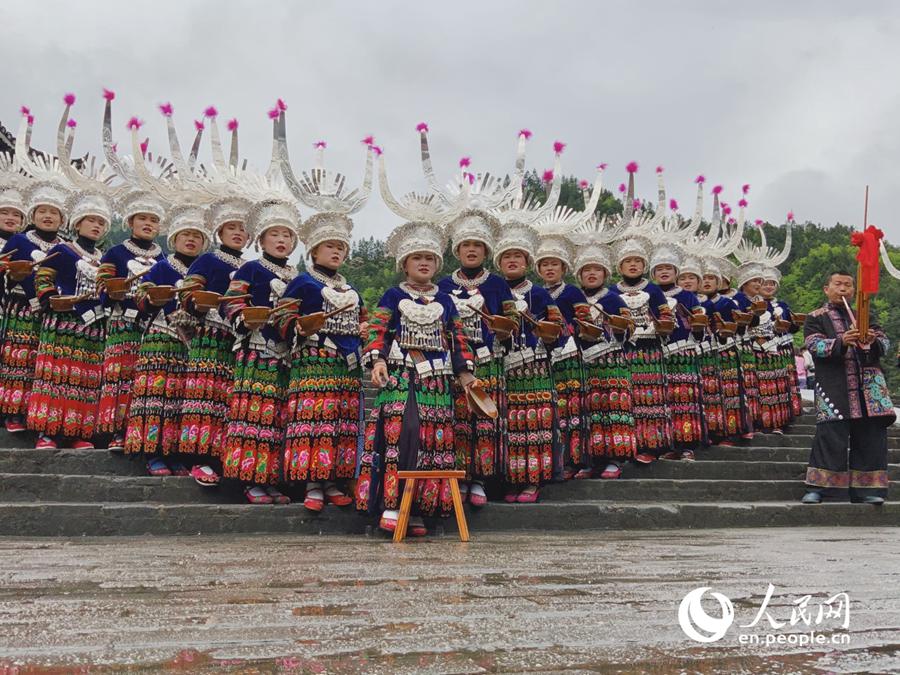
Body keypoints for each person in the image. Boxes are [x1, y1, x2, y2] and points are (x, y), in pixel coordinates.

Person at [355, 221, 476, 535]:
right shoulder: (393, 295)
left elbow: (458, 337)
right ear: (404, 264)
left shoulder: (446, 300)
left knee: (432, 439)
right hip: (402, 377)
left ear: (437, 263)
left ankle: (420, 508)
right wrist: (378, 360)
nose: (424, 262)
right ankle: (393, 503)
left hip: (437, 383)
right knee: (403, 432)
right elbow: (378, 329)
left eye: (429, 258)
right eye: (417, 257)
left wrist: (466, 375)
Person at [220, 198, 300, 505]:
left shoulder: (297, 276)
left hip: (288, 356)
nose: (281, 240)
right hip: (256, 350)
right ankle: (249, 480)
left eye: (287, 235)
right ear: (261, 240)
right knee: (254, 415)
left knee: (279, 419)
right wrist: (244, 317)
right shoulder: (251, 268)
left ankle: (271, 479)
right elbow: (231, 301)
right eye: (274, 234)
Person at [438, 209, 516, 506]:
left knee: (484, 418)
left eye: (477, 245)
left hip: (487, 359)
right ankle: (459, 477)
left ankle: (481, 480)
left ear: (486, 251)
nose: (471, 250)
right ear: (457, 250)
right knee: (458, 419)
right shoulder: (443, 286)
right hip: (455, 362)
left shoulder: (497, 284)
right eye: (466, 245)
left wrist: (505, 329)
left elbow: (512, 320)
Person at [124, 205, 210, 473]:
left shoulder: (205, 270)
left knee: (180, 401)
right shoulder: (162, 267)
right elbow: (141, 296)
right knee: (156, 396)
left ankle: (174, 454)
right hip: (162, 338)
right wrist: (152, 299)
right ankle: (152, 453)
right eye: (186, 234)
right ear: (174, 239)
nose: (191, 239)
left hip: (193, 344)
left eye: (197, 236)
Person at [28, 189, 112, 450]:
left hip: (93, 326)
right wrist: (51, 298)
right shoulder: (63, 250)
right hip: (63, 322)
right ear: (77, 224)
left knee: (85, 380)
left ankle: (77, 432)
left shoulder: (104, 259)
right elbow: (43, 278)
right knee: (55, 376)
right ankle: (48, 433)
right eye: (91, 220)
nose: (96, 226)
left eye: (101, 223)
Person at [801, 270, 893, 505]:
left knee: (871, 436)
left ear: (854, 290)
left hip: (869, 387)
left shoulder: (866, 315)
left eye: (848, 285)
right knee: (830, 435)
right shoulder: (815, 317)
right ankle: (820, 488)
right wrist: (842, 341)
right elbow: (814, 345)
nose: (843, 289)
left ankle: (867, 489)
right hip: (834, 385)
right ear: (826, 289)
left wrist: (871, 341)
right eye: (838, 284)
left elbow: (885, 343)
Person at [176, 197, 250, 486]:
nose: (237, 233)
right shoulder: (207, 260)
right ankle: (198, 458)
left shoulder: (250, 266)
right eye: (231, 228)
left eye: (242, 229)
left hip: (239, 339)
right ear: (219, 232)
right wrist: (197, 302)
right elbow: (187, 293)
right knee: (205, 396)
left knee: (231, 401)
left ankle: (224, 458)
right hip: (210, 335)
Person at [96, 190, 166, 450]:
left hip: (152, 326)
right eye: (142, 218)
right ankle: (116, 431)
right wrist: (111, 292)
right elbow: (101, 285)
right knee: (121, 376)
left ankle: (139, 433)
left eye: (153, 220)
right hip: (123, 322)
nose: (148, 224)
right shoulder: (115, 253)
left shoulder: (163, 259)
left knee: (145, 380)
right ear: (130, 222)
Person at [0, 180, 68, 432]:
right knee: (21, 359)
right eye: (42, 211)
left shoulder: (66, 248)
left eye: (53, 212)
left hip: (55, 313)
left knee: (47, 364)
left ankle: (40, 415)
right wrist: (11, 276)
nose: (47, 216)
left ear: (62, 219)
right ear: (33, 215)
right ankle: (13, 412)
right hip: (22, 308)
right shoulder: (19, 241)